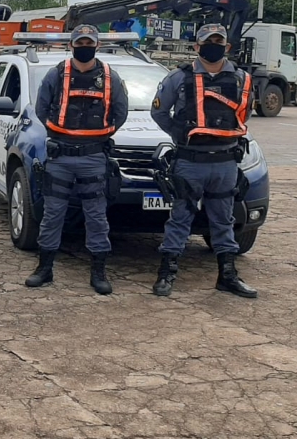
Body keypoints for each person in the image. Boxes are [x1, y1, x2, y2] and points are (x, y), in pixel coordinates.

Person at [150, 23, 257, 298]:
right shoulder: (178, 77)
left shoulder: (241, 79)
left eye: (219, 41)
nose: (214, 45)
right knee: (180, 217)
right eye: (208, 41)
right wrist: (180, 134)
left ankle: (228, 275)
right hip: (190, 160)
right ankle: (166, 273)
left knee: (224, 220)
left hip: (225, 161)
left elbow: (244, 115)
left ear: (227, 47)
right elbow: (159, 112)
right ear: (196, 47)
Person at [26, 24, 129, 294]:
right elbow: (41, 108)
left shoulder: (110, 77)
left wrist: (96, 136)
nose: (85, 47)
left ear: (97, 45)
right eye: (80, 43)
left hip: (94, 156)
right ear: (71, 46)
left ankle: (98, 272)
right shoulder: (56, 74)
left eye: (89, 43)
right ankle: (45, 269)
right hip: (60, 155)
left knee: (96, 217)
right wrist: (59, 133)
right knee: (52, 215)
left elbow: (120, 112)